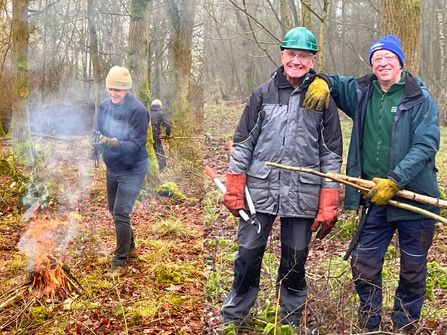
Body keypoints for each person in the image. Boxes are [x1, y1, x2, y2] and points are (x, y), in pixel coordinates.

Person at [304, 35, 440, 334]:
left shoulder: (419, 99)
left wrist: (394, 180)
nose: (382, 63)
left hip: (414, 199)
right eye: (376, 59)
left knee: (413, 269)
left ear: (400, 61)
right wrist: (321, 82)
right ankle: (370, 324)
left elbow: (426, 145)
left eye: (388, 57)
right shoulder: (362, 91)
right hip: (373, 199)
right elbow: (333, 81)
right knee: (363, 263)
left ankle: (406, 325)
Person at [220, 27, 343, 333]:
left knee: (295, 260)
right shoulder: (262, 94)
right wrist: (235, 182)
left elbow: (331, 154)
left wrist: (329, 198)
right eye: (291, 54)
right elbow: (243, 142)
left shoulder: (321, 98)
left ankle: (289, 323)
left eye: (303, 56)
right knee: (248, 254)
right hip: (259, 189)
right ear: (282, 56)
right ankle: (234, 318)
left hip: (302, 193)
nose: (296, 61)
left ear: (312, 60)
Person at [92, 66, 150, 278]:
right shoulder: (104, 106)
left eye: (118, 89)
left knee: (121, 213)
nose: (113, 93)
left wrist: (113, 142)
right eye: (110, 88)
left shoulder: (138, 111)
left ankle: (120, 263)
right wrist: (95, 146)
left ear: (127, 89)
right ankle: (131, 247)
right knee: (113, 210)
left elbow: (136, 145)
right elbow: (97, 130)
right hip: (112, 167)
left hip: (133, 169)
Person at [150, 99, 171, 172]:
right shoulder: (160, 113)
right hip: (155, 135)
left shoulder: (146, 111)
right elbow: (167, 125)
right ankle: (163, 170)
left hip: (144, 135)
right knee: (159, 152)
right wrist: (168, 135)